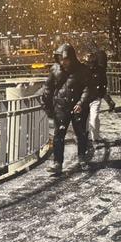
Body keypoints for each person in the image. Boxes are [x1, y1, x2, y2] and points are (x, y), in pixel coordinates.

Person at [41, 43, 95, 175]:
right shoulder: (55, 69)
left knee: (80, 134)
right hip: (61, 106)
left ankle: (82, 158)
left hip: (77, 108)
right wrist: (47, 106)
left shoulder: (83, 70)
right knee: (59, 136)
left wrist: (81, 103)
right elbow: (48, 88)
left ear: (71, 58)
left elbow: (88, 88)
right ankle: (57, 163)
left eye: (65, 59)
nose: (63, 62)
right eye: (61, 59)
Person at [85, 50, 108, 145]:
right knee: (85, 118)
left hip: (95, 97)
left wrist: (101, 93)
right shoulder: (83, 70)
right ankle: (86, 135)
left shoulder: (100, 70)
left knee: (94, 117)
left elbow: (104, 82)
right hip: (85, 97)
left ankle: (94, 138)